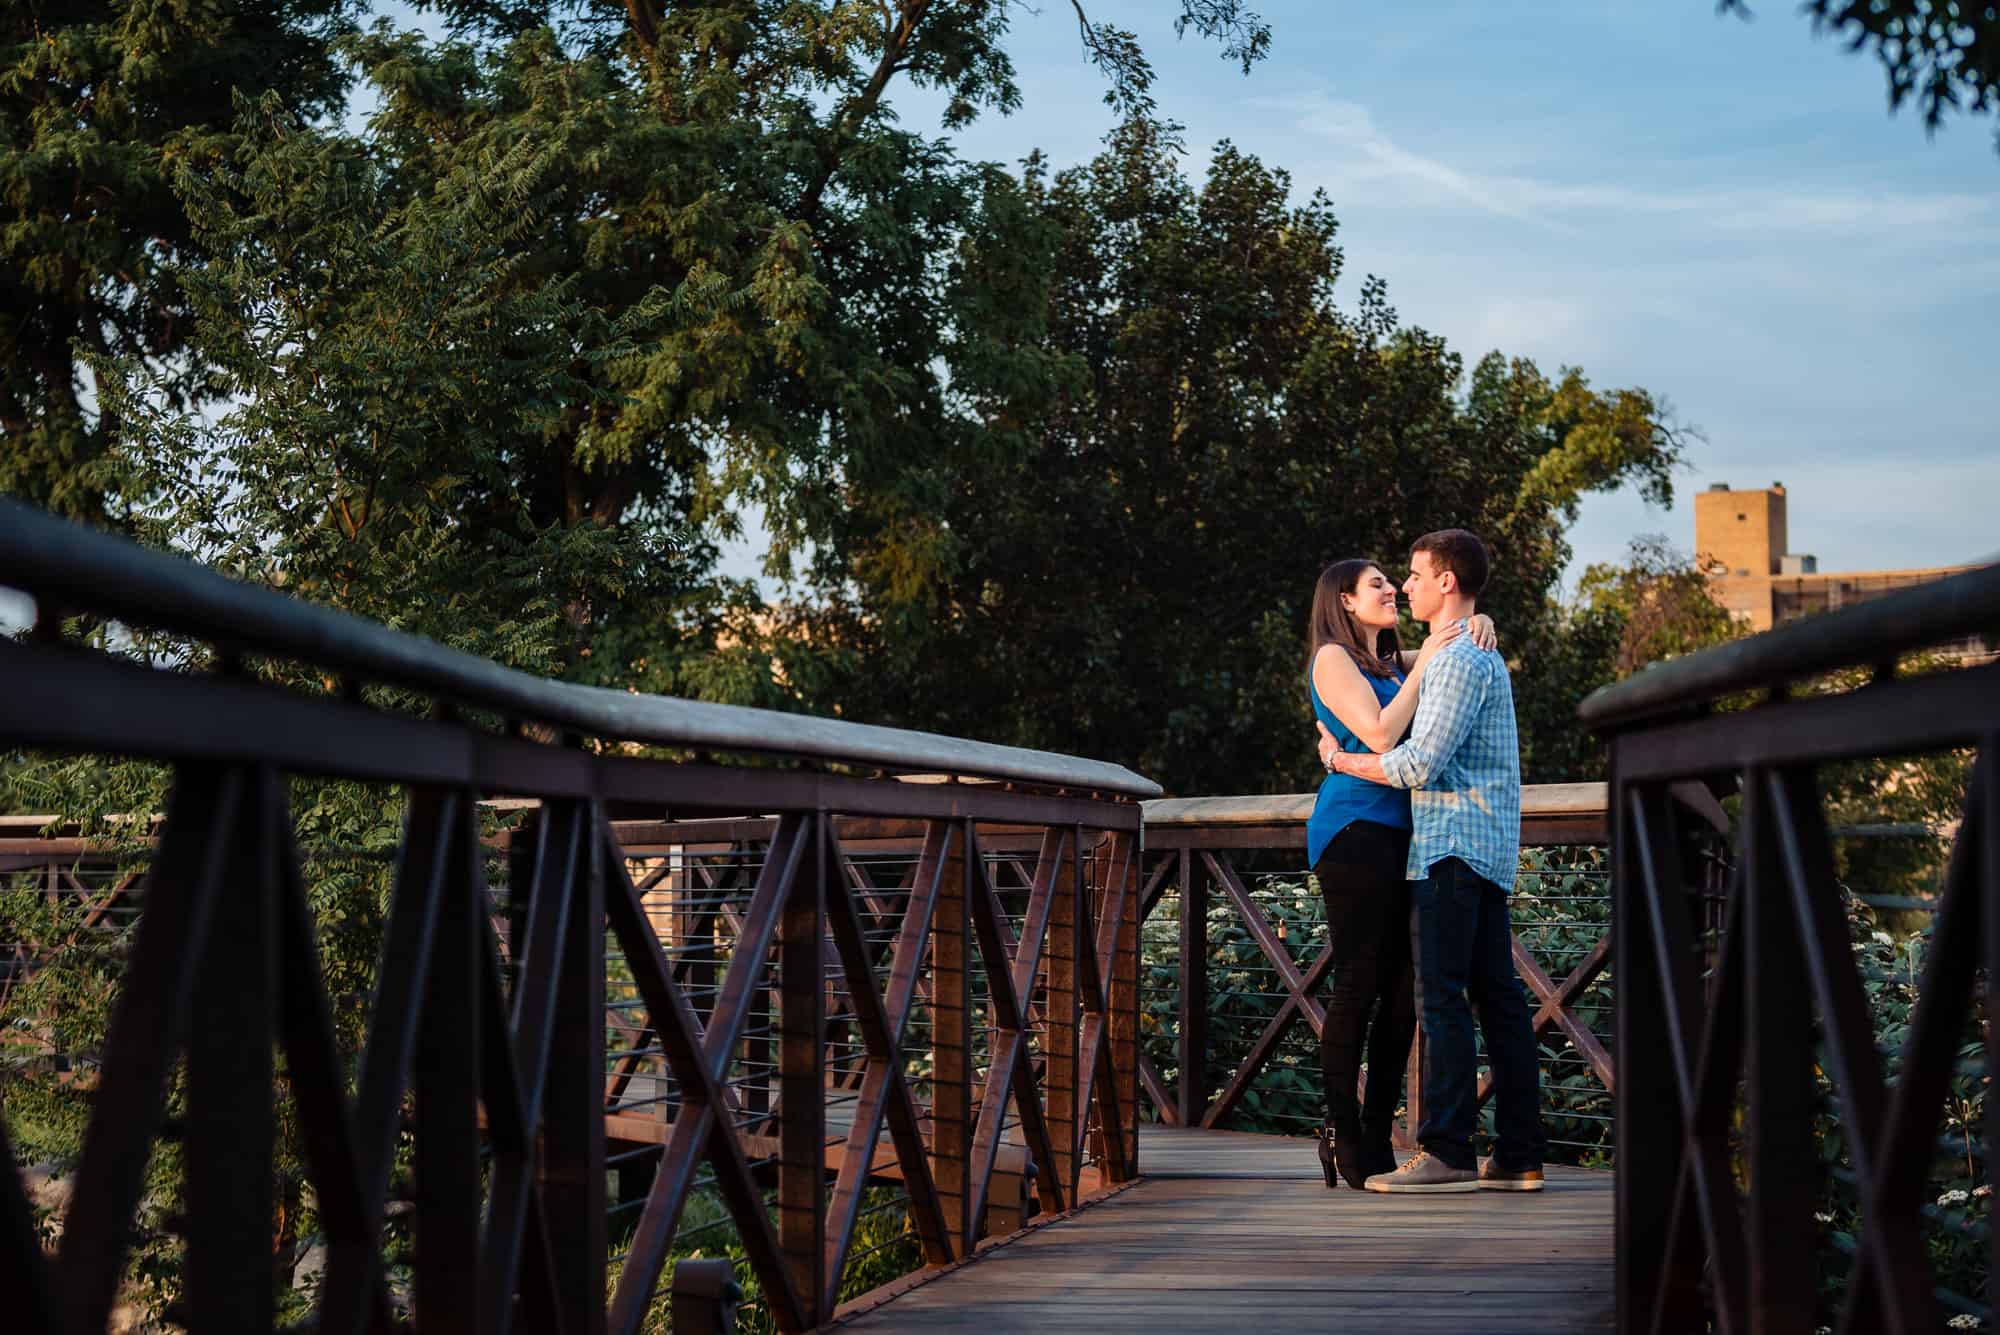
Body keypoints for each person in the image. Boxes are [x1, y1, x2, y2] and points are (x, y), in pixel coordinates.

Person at [1318, 529, 1547, 1194]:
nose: (1406, 584)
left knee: (1441, 998)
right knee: (1498, 998)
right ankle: (1518, 1154)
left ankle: (1446, 1149)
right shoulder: (1467, 650)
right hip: (1485, 845)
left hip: (1450, 846)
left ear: (1447, 582)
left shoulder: (1456, 660)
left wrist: (1338, 759)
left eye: (1415, 574)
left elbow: (1415, 761)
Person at [1303, 558, 1494, 1189]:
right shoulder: (1333, 659)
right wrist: (1430, 653)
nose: (1392, 590)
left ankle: (1381, 1135)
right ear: (1346, 602)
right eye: (1378, 585)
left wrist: (1477, 621)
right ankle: (1345, 1135)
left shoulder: (1388, 663)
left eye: (1394, 581)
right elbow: (1383, 735)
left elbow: (1457, 646)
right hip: (1354, 831)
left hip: (1404, 835)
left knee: (1405, 990)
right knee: (1360, 981)